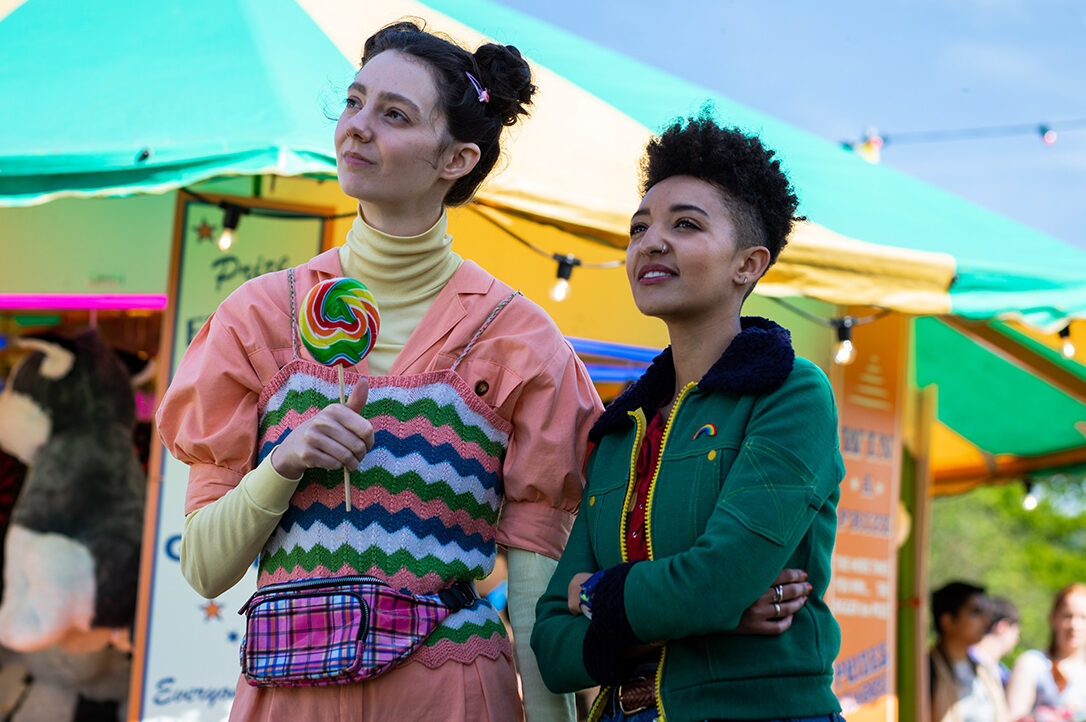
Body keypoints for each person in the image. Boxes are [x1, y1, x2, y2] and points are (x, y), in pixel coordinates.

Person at [156, 21, 803, 722]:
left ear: (457, 158)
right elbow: (206, 569)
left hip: (452, 691)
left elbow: (533, 596)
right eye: (353, 102)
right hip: (289, 691)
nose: (358, 127)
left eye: (395, 115)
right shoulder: (257, 317)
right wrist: (282, 464)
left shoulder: (519, 338)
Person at [531, 113, 846, 722]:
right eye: (639, 227)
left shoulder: (791, 393)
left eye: (686, 225)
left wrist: (592, 595)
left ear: (747, 264)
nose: (650, 242)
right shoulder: (620, 427)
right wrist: (700, 617)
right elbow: (551, 646)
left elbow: (717, 583)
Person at [929, 581, 1010, 722]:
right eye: (975, 612)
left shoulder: (985, 670)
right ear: (948, 621)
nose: (987, 621)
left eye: (985, 613)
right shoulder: (926, 670)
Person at [1007, 583, 1086, 722]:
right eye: (1068, 616)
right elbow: (1013, 717)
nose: (1074, 625)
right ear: (1054, 618)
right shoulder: (1032, 663)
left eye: (1083, 618)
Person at [971, 596, 1020, 688]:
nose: (1017, 640)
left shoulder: (1003, 674)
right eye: (1016, 633)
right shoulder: (966, 661)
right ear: (1003, 627)